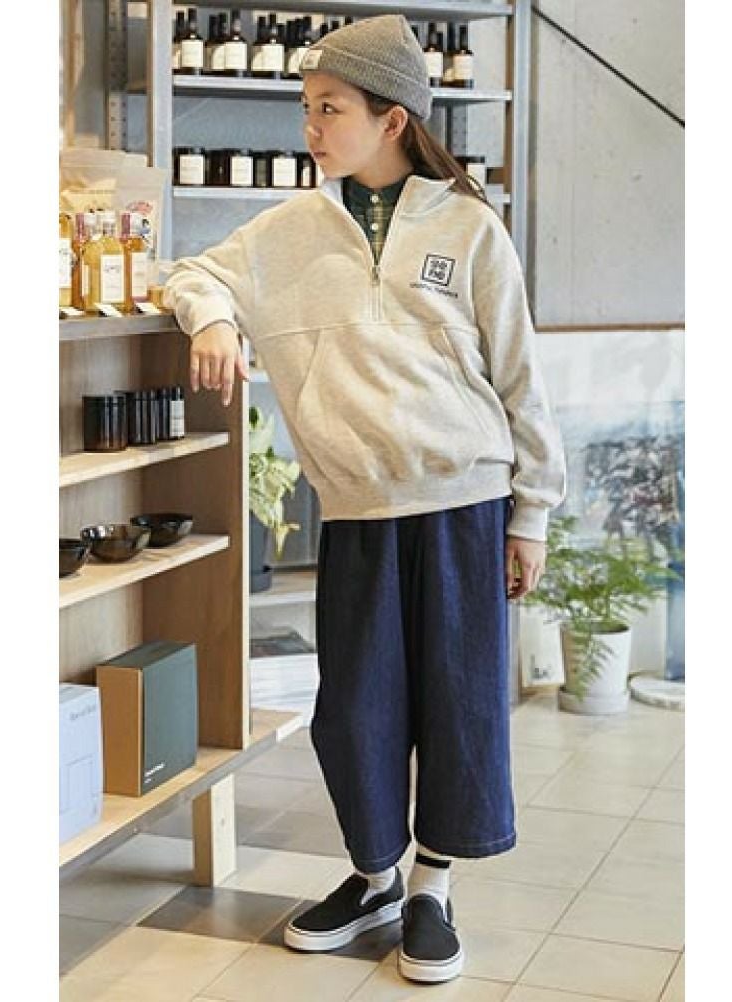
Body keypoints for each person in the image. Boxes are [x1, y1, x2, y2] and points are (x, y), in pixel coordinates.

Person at [163, 14, 567, 985]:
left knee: (459, 706)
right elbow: (192, 271)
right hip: (356, 511)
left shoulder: (468, 227)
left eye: (330, 109)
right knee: (354, 710)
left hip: (465, 504)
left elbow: (520, 375)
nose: (311, 127)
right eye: (307, 108)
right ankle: (374, 875)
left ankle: (431, 887)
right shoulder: (288, 231)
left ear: (392, 120)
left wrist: (532, 513)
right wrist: (212, 319)